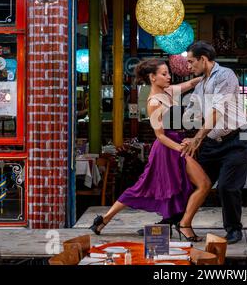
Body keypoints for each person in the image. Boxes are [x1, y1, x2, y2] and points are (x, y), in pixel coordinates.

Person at [89, 59, 211, 242]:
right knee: (144, 187)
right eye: (164, 74)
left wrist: (212, 71)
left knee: (190, 185)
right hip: (167, 149)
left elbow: (193, 82)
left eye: (168, 73)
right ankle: (104, 219)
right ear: (152, 77)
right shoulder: (154, 102)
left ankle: (172, 222)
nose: (169, 76)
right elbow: (160, 135)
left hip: (176, 145)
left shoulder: (169, 92)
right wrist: (181, 148)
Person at [182, 41, 247, 244]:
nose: (189, 67)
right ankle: (177, 221)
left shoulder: (225, 76)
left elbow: (216, 112)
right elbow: (192, 110)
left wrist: (197, 137)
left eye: (191, 62)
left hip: (237, 140)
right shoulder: (202, 83)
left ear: (203, 59)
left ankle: (233, 230)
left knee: (228, 187)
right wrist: (187, 132)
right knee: (194, 181)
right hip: (212, 143)